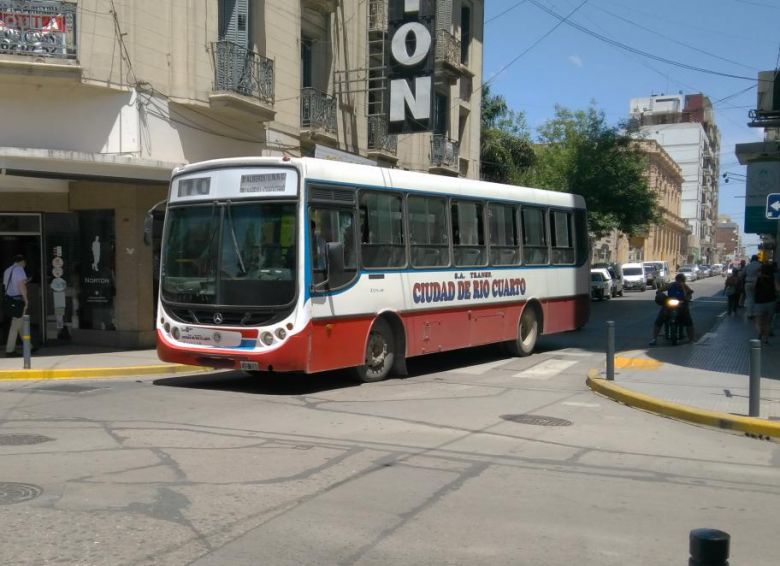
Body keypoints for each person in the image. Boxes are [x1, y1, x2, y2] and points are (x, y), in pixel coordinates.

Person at [650, 273, 694, 345]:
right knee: (660, 319)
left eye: (681, 281)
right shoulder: (671, 285)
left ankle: (691, 340)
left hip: (681, 306)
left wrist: (686, 295)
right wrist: (659, 293)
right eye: (678, 280)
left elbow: (689, 296)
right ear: (676, 280)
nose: (679, 282)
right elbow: (661, 289)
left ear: (683, 281)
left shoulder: (686, 287)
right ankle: (654, 338)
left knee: (688, 320)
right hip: (669, 305)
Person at [3, 255, 29, 357]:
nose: (24, 266)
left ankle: (29, 346)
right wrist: (26, 299)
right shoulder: (19, 270)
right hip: (18, 300)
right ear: (22, 261)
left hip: (9, 300)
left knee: (20, 323)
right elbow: (21, 285)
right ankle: (10, 350)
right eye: (24, 263)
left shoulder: (7, 270)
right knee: (15, 325)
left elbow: (6, 285)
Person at [753, 263, 776, 344]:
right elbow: (778, 289)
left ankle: (760, 331)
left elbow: (753, 288)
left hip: (759, 302)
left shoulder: (758, 278)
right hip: (771, 302)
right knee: (767, 322)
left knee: (758, 321)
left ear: (762, 270)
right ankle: (766, 339)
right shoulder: (773, 278)